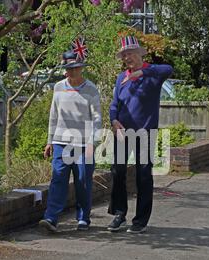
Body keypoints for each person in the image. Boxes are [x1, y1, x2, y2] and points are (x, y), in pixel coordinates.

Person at [107, 36, 173, 234]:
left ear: (140, 54)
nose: (128, 58)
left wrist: (142, 72)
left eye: (131, 54)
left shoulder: (152, 74)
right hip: (123, 132)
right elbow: (114, 104)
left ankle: (141, 220)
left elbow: (168, 69)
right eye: (125, 55)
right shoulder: (121, 78)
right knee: (117, 170)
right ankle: (119, 214)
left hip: (145, 131)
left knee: (143, 175)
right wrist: (113, 120)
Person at [39, 49, 102, 232]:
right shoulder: (58, 87)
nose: (70, 72)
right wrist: (50, 141)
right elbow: (53, 115)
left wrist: (93, 142)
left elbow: (97, 118)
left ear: (81, 68)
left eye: (74, 68)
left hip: (83, 144)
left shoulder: (91, 88)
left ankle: (83, 218)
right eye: (67, 68)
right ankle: (51, 218)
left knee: (82, 180)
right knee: (58, 179)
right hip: (61, 141)